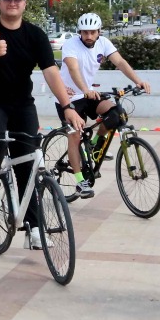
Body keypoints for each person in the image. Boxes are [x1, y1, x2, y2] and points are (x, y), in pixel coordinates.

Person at [0, 0, 82, 249]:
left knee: (29, 164)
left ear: (24, 4)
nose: (13, 3)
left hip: (21, 105)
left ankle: (34, 228)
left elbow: (50, 72)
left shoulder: (35, 35)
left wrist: (67, 106)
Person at [58, 12, 152, 198]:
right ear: (80, 32)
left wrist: (138, 81)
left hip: (89, 93)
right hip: (68, 97)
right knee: (75, 136)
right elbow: (72, 68)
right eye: (85, 33)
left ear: (99, 31)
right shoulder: (71, 45)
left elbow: (120, 62)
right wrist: (85, 88)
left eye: (93, 32)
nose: (89, 36)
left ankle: (95, 145)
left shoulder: (104, 43)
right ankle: (80, 181)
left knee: (117, 114)